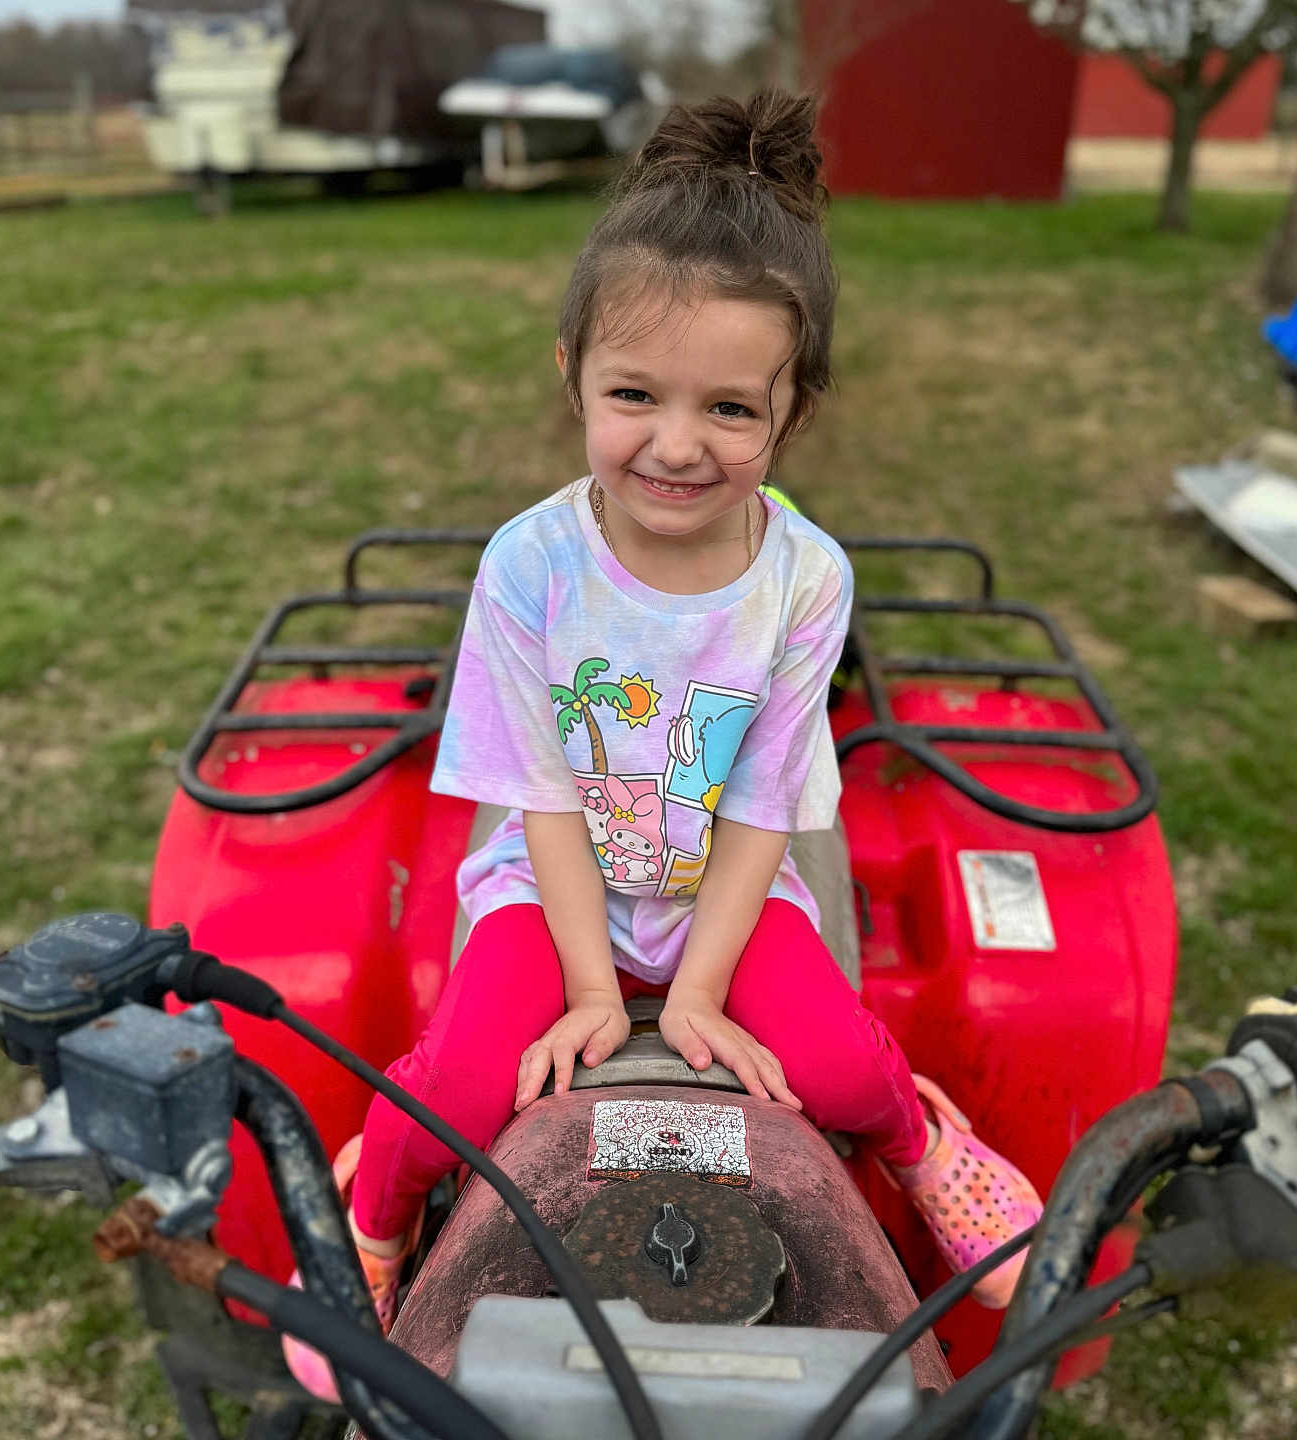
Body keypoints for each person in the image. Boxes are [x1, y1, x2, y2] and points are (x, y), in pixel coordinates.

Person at [284, 89, 1042, 1398]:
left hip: (719, 889)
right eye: (634, 393)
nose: (677, 447)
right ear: (570, 368)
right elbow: (542, 796)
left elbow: (762, 803)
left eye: (732, 410)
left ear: (794, 409)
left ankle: (926, 1144)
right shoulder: (529, 567)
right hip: (552, 888)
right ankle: (374, 1218)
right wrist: (593, 989)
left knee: (834, 1065)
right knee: (457, 1090)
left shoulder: (805, 579)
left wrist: (696, 991)